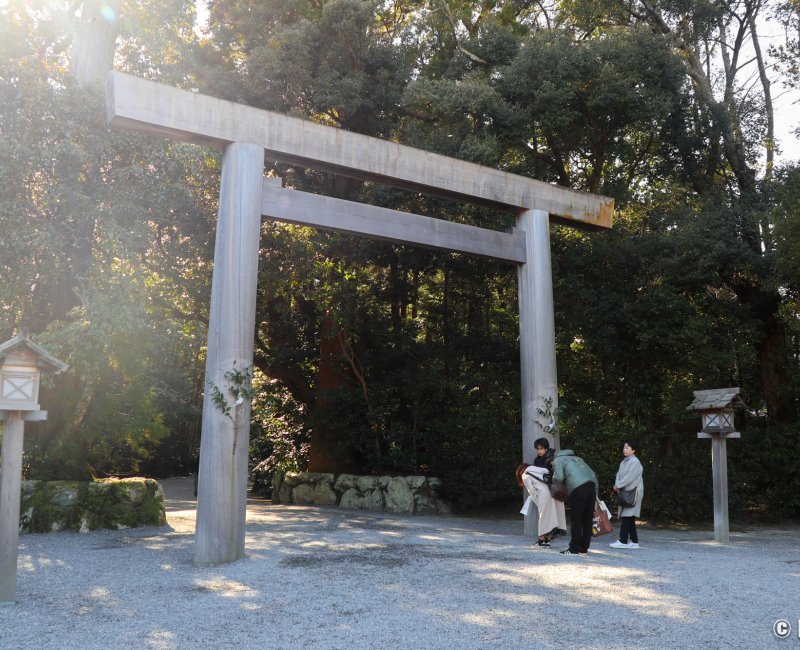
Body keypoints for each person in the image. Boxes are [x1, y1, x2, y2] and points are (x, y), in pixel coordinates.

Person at [517, 438, 567, 547]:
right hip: (554, 490)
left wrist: (537, 500)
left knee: (544, 516)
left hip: (547, 491)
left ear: (546, 448)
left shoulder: (553, 459)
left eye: (540, 449)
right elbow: (546, 472)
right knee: (552, 515)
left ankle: (541, 540)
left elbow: (532, 491)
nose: (538, 451)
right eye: (537, 449)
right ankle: (547, 540)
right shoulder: (538, 461)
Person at [550, 449, 599, 555]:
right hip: (591, 488)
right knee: (587, 520)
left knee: (576, 520)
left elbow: (559, 477)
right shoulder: (579, 459)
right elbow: (593, 475)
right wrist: (596, 494)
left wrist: (553, 484)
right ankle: (584, 548)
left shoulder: (558, 460)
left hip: (577, 489)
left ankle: (573, 549)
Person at [609, 440, 644, 549]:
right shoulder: (624, 461)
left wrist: (618, 485)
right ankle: (634, 541)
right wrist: (616, 484)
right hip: (625, 491)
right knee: (630, 517)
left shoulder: (635, 462)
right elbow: (618, 474)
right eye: (624, 448)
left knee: (627, 516)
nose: (625, 450)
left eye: (628, 448)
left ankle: (623, 541)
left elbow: (630, 477)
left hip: (633, 492)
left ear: (633, 450)